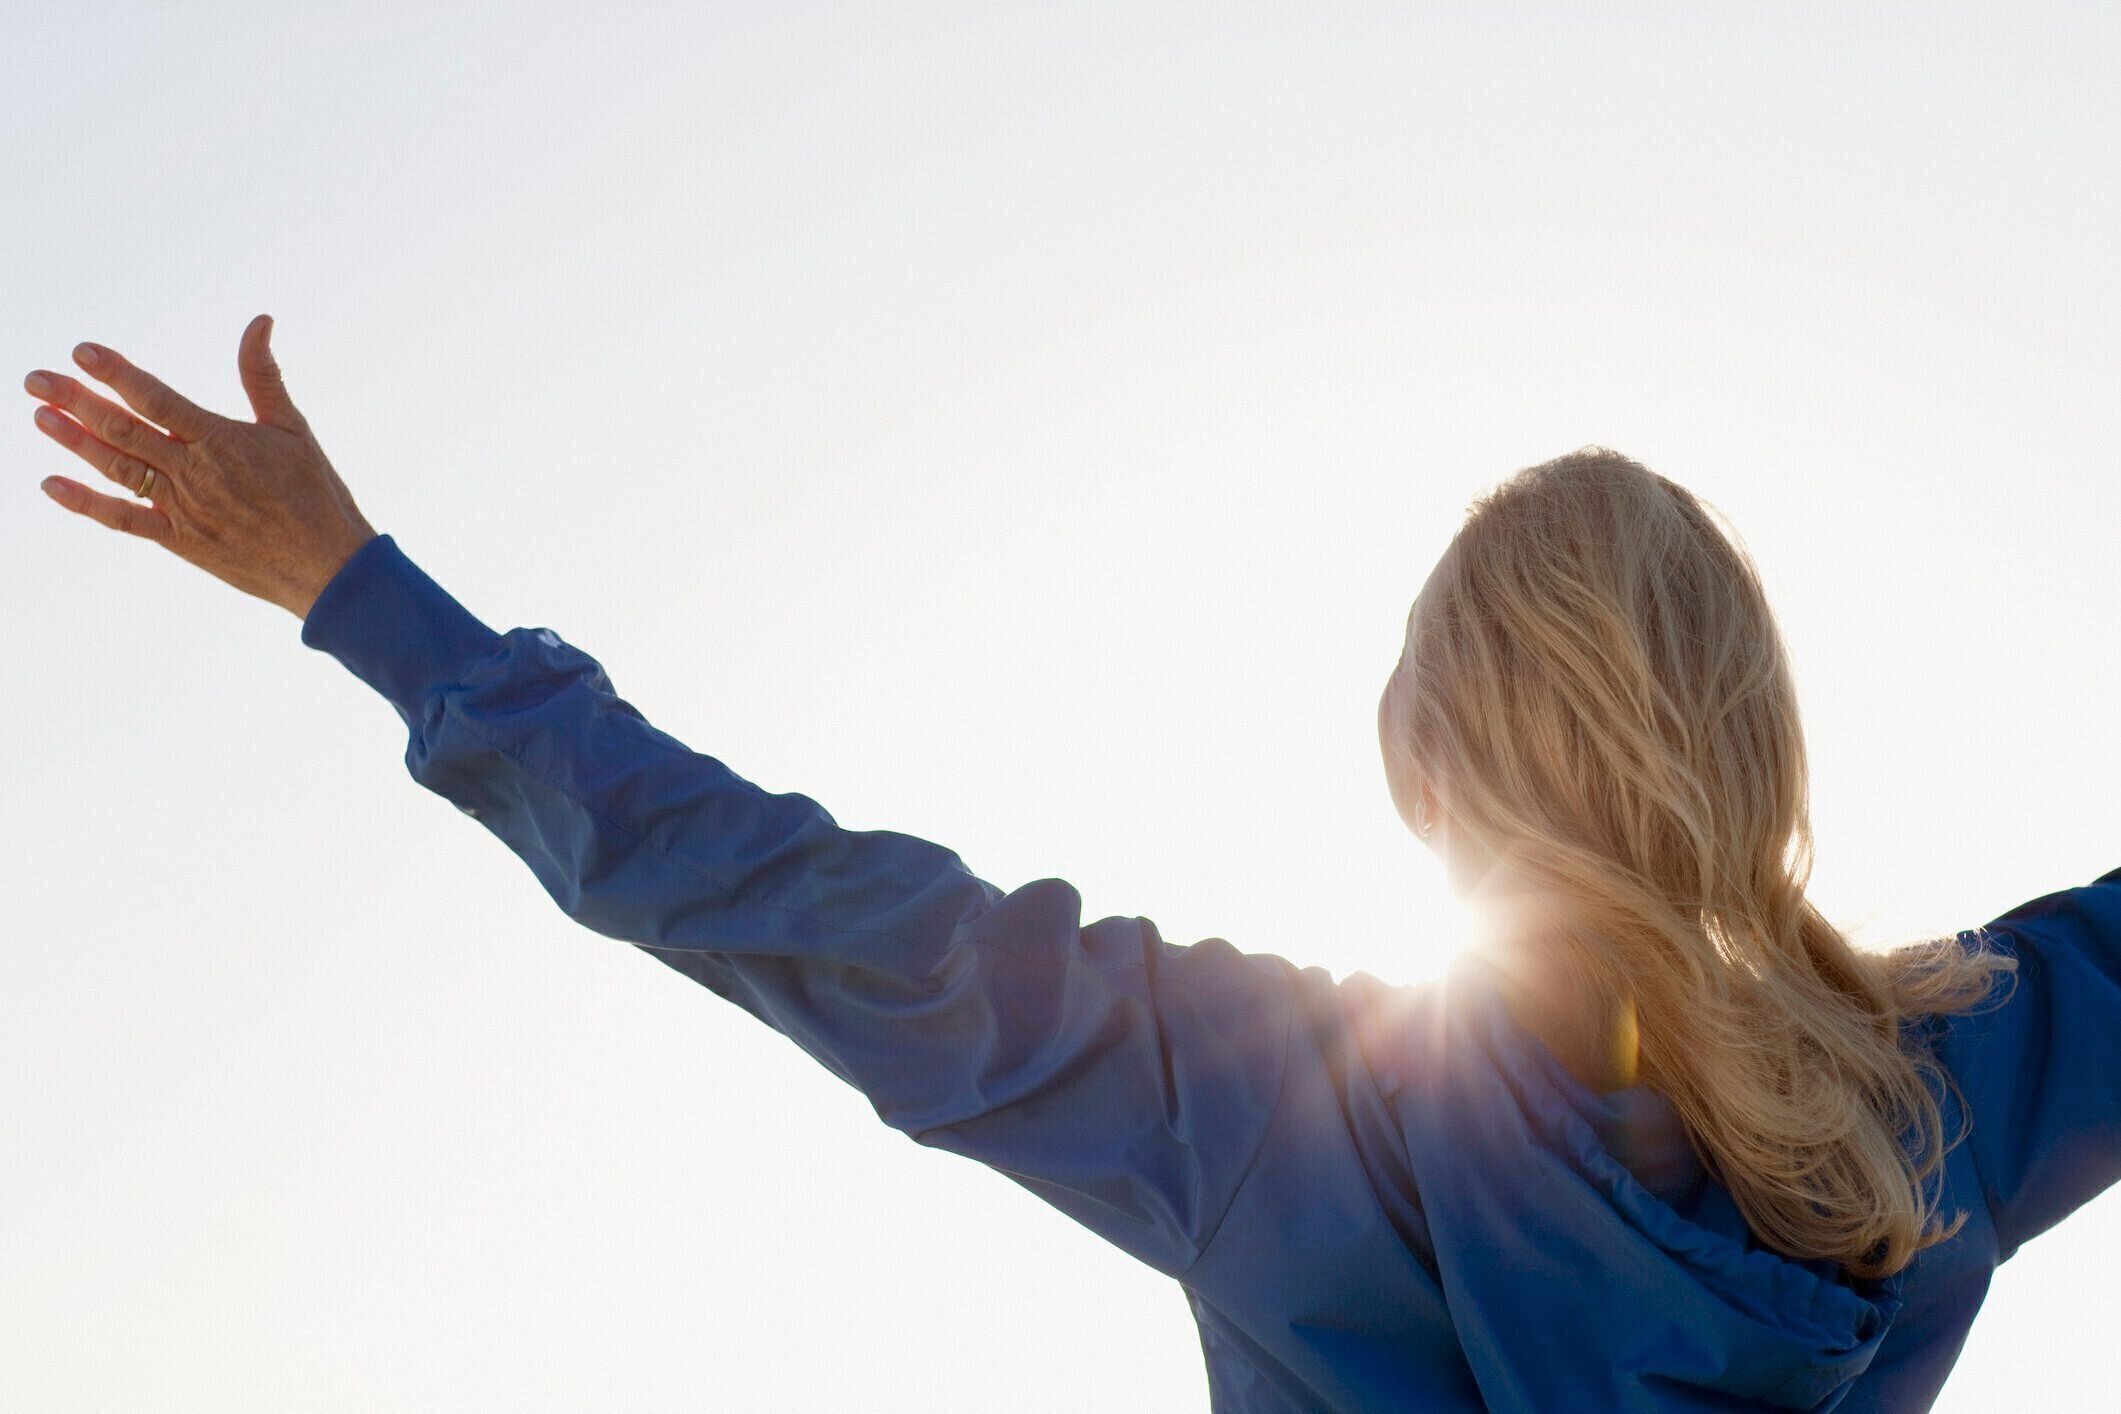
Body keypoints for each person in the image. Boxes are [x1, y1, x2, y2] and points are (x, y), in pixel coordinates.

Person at [28, 322, 2119, 1411]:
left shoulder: (1258, 1101)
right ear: (1754, 749)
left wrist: (363, 596)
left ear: (1425, 760)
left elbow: (745, 878)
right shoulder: (1933, 1106)